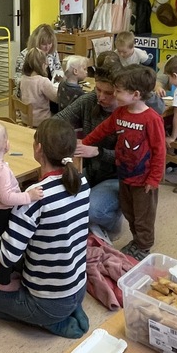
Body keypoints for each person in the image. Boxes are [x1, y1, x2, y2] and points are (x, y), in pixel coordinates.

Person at [0, 118, 91, 339]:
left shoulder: (34, 198)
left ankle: (50, 322)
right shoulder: (81, 182)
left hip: (47, 302)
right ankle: (72, 308)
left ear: (38, 149)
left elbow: (7, 255)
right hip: (78, 288)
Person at [77, 65, 165, 261]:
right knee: (129, 212)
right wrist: (85, 143)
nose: (114, 94)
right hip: (124, 175)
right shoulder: (120, 113)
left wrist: (154, 179)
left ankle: (144, 246)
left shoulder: (152, 119)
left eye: (118, 91)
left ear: (136, 94)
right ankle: (136, 241)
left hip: (144, 180)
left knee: (143, 217)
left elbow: (159, 151)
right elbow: (102, 130)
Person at [0, 120, 44, 290]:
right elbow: (6, 198)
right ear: (5, 145)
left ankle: (8, 271)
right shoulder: (0, 170)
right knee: (9, 247)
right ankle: (4, 282)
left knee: (5, 246)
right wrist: (28, 196)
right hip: (4, 213)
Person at [57, 60, 125, 239]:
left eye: (108, 93)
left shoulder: (129, 114)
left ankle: (114, 222)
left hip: (117, 177)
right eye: (98, 89)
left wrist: (97, 152)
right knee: (58, 197)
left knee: (91, 210)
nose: (100, 97)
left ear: (120, 91)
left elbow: (128, 158)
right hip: (91, 171)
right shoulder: (89, 100)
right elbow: (57, 121)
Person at [13, 24, 63, 91]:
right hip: (30, 92)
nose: (47, 47)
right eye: (44, 44)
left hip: (49, 90)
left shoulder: (53, 53)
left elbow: (58, 70)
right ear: (36, 42)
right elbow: (18, 80)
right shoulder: (24, 55)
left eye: (50, 43)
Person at [18, 48, 59, 126]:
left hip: (26, 118)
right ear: (43, 65)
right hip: (40, 120)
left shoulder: (23, 79)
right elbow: (56, 98)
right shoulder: (43, 81)